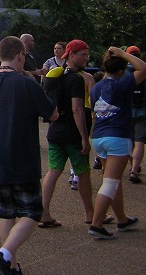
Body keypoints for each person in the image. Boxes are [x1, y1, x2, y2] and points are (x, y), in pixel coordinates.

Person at [0, 36, 57, 274]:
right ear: (20, 56)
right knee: (32, 212)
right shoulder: (26, 84)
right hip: (22, 158)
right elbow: (52, 115)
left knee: (6, 212)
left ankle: (10, 265)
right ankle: (3, 255)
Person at [87, 46, 146, 239]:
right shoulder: (122, 83)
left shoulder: (96, 87)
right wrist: (124, 54)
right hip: (118, 136)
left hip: (99, 137)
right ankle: (96, 224)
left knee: (113, 181)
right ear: (122, 70)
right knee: (111, 182)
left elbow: (95, 115)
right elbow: (144, 68)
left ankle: (122, 218)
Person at [39, 39, 95, 226]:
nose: (86, 59)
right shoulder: (76, 79)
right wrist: (84, 138)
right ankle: (90, 214)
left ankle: (44, 212)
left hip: (55, 131)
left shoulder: (56, 75)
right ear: (71, 54)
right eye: (83, 55)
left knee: (53, 171)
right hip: (72, 134)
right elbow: (77, 109)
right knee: (83, 172)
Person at [127, 45, 146, 184]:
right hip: (143, 111)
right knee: (140, 141)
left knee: (130, 140)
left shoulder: (125, 73)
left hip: (127, 111)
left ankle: (132, 164)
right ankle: (134, 169)